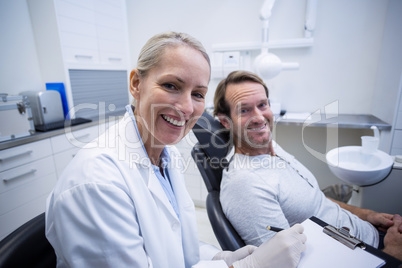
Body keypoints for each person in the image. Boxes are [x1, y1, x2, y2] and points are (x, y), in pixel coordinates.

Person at [45, 32, 307, 268]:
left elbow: (177, 248)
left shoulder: (164, 156)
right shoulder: (97, 181)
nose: (186, 107)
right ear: (136, 83)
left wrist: (221, 258)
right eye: (171, 86)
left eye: (198, 93)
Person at [213, 70, 402, 261]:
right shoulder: (245, 185)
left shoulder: (272, 148)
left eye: (262, 105)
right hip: (373, 257)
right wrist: (393, 254)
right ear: (225, 121)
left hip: (369, 235)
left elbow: (316, 201)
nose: (259, 117)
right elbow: (287, 264)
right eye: (244, 110)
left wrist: (365, 215)